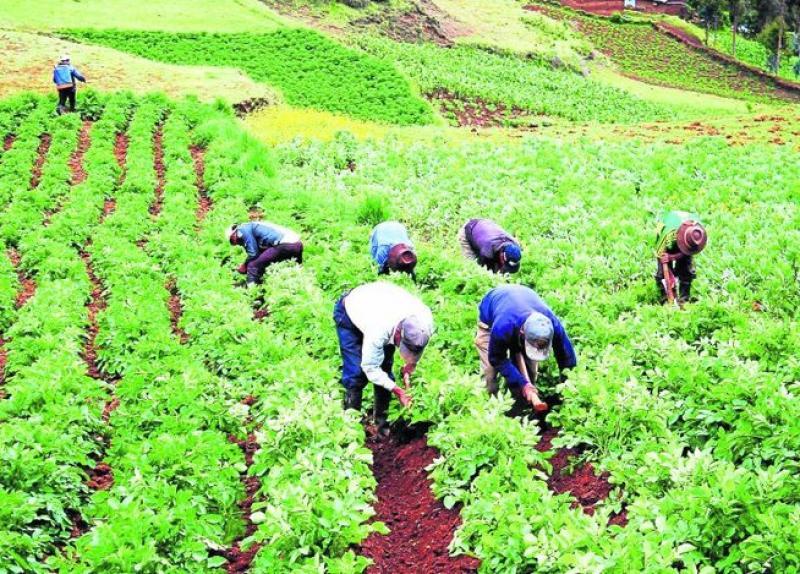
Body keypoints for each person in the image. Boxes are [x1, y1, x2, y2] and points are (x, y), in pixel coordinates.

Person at [333, 281, 433, 435]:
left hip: (381, 304)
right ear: (398, 334)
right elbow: (370, 367)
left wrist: (410, 366)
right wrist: (398, 390)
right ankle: (351, 431)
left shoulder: (425, 323)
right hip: (351, 312)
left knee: (385, 370)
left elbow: (417, 347)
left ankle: (382, 429)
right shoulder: (379, 328)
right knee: (355, 374)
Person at [476, 285, 576, 412]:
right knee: (489, 376)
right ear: (523, 333)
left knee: (531, 374)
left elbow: (566, 356)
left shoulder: (551, 325)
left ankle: (519, 410)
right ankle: (491, 412)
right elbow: (497, 358)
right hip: (490, 317)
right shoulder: (502, 326)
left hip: (521, 302)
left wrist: (568, 385)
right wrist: (522, 384)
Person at [654, 210, 707, 304]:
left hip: (687, 240)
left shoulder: (698, 233)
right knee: (662, 274)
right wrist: (668, 260)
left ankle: (684, 298)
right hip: (668, 242)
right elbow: (661, 254)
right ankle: (666, 298)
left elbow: (689, 252)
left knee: (686, 271)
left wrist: (673, 256)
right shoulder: (668, 234)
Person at [226, 221, 303, 285]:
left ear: (234, 234)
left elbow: (253, 253)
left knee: (253, 265)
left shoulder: (242, 230)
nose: (235, 243)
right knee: (292, 267)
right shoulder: (252, 226)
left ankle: (252, 291)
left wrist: (245, 265)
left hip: (285, 244)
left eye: (232, 241)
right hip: (297, 244)